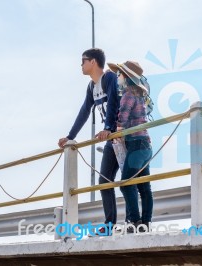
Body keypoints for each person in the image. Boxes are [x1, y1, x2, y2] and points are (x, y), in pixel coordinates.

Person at [58, 48, 120, 232]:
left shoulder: (109, 78)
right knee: (104, 181)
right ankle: (110, 225)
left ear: (93, 62)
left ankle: (138, 223)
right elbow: (85, 111)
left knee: (133, 180)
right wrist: (70, 136)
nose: (81, 65)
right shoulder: (92, 87)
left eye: (83, 61)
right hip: (112, 139)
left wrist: (108, 127)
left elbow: (115, 103)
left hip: (124, 134)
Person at [107, 61, 153, 232]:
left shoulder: (127, 94)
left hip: (136, 146)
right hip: (145, 146)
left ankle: (135, 222)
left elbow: (123, 119)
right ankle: (145, 224)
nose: (117, 77)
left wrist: (116, 133)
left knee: (126, 184)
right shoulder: (139, 94)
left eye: (119, 74)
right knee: (144, 187)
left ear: (125, 77)